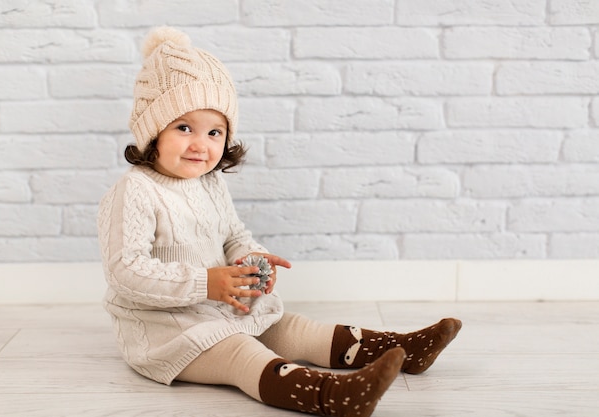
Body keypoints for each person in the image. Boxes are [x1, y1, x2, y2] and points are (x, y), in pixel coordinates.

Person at [97, 26, 462, 417]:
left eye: (214, 131)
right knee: (240, 351)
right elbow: (125, 271)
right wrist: (208, 282)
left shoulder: (209, 182)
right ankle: (331, 394)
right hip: (165, 328)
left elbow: (233, 234)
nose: (201, 144)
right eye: (184, 127)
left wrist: (250, 258)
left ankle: (401, 349)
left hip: (219, 304)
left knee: (290, 327)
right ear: (153, 130)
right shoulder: (135, 190)